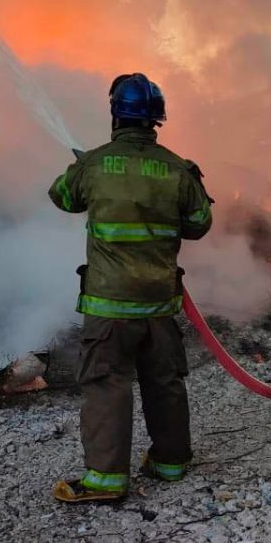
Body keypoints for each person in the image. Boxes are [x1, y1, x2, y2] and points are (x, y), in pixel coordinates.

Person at [49, 73, 213, 503]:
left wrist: (82, 168)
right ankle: (170, 462)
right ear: (156, 119)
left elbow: (62, 197)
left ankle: (106, 480)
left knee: (107, 383)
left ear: (115, 115)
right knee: (164, 381)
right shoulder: (178, 169)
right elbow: (200, 224)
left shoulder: (94, 164)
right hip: (159, 303)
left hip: (110, 305)